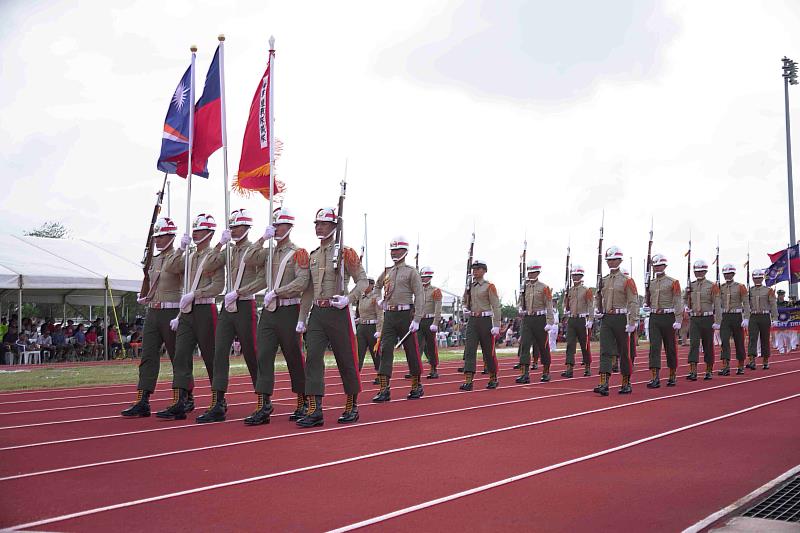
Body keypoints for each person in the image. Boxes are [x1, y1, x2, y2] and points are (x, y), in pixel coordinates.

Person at [295, 207, 368, 427]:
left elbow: (362, 281)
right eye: (317, 224)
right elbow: (308, 289)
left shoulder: (346, 252)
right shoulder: (313, 255)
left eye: (324, 224)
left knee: (346, 359)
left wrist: (350, 298)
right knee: (313, 358)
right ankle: (315, 409)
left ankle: (351, 405)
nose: (319, 227)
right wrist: (302, 317)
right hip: (318, 312)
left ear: (335, 227)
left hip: (338, 311)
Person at [244, 208, 311, 426]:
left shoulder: (299, 252)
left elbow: (302, 282)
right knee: (263, 356)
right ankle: (263, 404)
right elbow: (249, 259)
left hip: (289, 310)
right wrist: (263, 238)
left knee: (293, 356)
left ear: (289, 227)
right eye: (274, 225)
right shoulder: (269, 252)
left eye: (280, 225)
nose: (276, 228)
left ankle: (302, 401)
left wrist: (280, 291)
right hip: (270, 312)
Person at [198, 208, 265, 423]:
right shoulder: (229, 251)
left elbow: (263, 280)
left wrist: (241, 292)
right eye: (232, 226)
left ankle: (263, 401)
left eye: (237, 226)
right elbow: (206, 266)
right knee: (219, 353)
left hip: (245, 304)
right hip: (228, 306)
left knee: (252, 353)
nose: (233, 230)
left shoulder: (256, 251)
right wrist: (219, 243)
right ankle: (218, 402)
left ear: (246, 228)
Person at [156, 213, 225, 421]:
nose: (195, 234)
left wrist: (196, 294)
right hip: (186, 311)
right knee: (181, 356)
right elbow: (170, 267)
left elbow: (218, 286)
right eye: (194, 230)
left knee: (211, 357)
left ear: (209, 233)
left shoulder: (215, 255)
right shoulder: (191, 256)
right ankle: (181, 400)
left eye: (200, 231)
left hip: (204, 308)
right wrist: (181, 248)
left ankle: (218, 402)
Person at [121, 216, 184, 418]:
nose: (157, 240)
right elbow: (149, 280)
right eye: (156, 236)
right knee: (148, 356)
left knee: (178, 357)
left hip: (172, 311)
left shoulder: (179, 258)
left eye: (161, 236)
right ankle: (142, 399)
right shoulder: (155, 260)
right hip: (154, 312)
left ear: (171, 237)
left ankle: (182, 397)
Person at [372, 236, 426, 402]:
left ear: (405, 252)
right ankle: (384, 389)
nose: (394, 253)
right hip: (389, 315)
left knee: (411, 351)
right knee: (385, 349)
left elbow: (419, 294)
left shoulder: (411, 272)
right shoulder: (387, 271)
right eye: (392, 250)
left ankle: (416, 385)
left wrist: (417, 319)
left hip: (405, 315)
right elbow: (377, 286)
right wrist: (378, 299)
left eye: (398, 250)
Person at [593, 246, 639, 396]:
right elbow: (597, 297)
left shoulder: (627, 280)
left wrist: (632, 321)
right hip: (607, 318)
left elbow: (633, 302)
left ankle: (626, 382)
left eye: (613, 260)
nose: (611, 263)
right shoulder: (603, 280)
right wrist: (597, 310)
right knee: (605, 351)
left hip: (621, 319)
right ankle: (604, 382)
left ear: (620, 260)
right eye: (609, 260)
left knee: (624, 352)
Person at [460, 259, 501, 390]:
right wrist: (464, 308)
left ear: (484, 271)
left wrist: (496, 325)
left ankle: (493, 377)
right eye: (474, 269)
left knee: (488, 351)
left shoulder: (489, 286)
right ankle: (468, 380)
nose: (475, 271)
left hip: (485, 320)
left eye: (478, 269)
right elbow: (464, 301)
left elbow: (496, 306)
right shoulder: (470, 286)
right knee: (470, 350)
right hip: (473, 320)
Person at [645, 254, 682, 388]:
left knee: (670, 347)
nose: (657, 268)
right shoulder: (651, 283)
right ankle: (655, 377)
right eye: (655, 266)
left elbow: (678, 300)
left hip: (668, 317)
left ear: (665, 266)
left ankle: (672, 374)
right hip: (654, 317)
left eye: (660, 265)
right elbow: (649, 298)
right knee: (654, 347)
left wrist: (678, 318)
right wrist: (646, 304)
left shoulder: (673, 282)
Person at [516, 259, 554, 383]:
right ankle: (524, 374)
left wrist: (550, 322)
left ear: (538, 273)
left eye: (534, 272)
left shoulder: (544, 287)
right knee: (525, 345)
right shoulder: (524, 287)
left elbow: (549, 305)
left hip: (540, 319)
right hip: (528, 319)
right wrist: (520, 308)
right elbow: (520, 302)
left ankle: (546, 372)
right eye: (529, 272)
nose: (531, 274)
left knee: (543, 346)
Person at [685, 259, 721, 381]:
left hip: (707, 318)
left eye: (701, 271)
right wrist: (686, 306)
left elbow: (717, 304)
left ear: (705, 271)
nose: (698, 273)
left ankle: (709, 370)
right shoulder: (691, 286)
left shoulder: (712, 286)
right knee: (694, 344)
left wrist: (717, 321)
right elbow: (685, 299)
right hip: (694, 318)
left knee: (708, 344)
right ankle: (693, 371)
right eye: (696, 271)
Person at [718, 263, 750, 375]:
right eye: (725, 274)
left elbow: (746, 303)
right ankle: (725, 366)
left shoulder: (740, 287)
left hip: (737, 316)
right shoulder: (720, 287)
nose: (727, 276)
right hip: (725, 317)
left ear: (733, 274)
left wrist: (746, 318)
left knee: (739, 342)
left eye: (729, 273)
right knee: (724, 341)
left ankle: (740, 365)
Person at [563, 265, 593, 378]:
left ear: (581, 276)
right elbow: (565, 304)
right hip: (571, 319)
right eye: (573, 275)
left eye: (577, 275)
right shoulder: (569, 290)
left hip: (582, 320)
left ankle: (587, 366)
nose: (575, 277)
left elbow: (591, 306)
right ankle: (569, 368)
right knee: (570, 344)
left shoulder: (586, 290)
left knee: (584, 344)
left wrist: (590, 320)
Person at [747, 269, 778, 370]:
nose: (757, 280)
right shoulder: (749, 290)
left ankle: (765, 360)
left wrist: (775, 318)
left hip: (765, 316)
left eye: (759, 278)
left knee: (765, 339)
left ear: (762, 278)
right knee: (752, 338)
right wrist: (745, 317)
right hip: (753, 316)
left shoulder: (768, 290)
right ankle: (752, 360)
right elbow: (746, 305)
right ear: (752, 278)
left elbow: (773, 304)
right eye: (755, 278)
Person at [417, 266, 443, 379]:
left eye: (426, 277)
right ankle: (416, 369)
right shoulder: (418, 291)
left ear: (430, 277)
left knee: (431, 346)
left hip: (430, 320)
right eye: (422, 277)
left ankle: (433, 368)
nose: (423, 279)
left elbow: (438, 307)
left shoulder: (435, 291)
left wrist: (435, 322)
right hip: (419, 320)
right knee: (417, 346)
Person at [355, 278, 383, 379]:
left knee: (375, 352)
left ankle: (380, 374)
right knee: (358, 351)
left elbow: (380, 315)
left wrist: (379, 330)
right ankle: (356, 374)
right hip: (362, 327)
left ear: (372, 286)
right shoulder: (361, 297)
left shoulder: (376, 297)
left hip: (372, 328)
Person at [774, 289, 792, 354]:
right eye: (779, 295)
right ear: (778, 296)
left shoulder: (787, 303)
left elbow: (790, 312)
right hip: (778, 321)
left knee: (787, 336)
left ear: (784, 295)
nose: (781, 296)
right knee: (779, 335)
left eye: (782, 295)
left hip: (786, 321)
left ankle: (788, 347)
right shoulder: (775, 303)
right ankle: (781, 350)